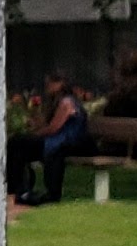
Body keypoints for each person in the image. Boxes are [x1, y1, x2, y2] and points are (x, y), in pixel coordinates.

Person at [10, 80, 93, 209]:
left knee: (19, 143)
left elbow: (54, 128)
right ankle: (20, 188)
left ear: (60, 84)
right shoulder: (57, 102)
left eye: (51, 83)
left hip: (68, 143)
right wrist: (34, 114)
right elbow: (45, 125)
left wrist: (36, 134)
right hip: (56, 141)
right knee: (18, 144)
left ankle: (18, 187)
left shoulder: (67, 102)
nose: (47, 85)